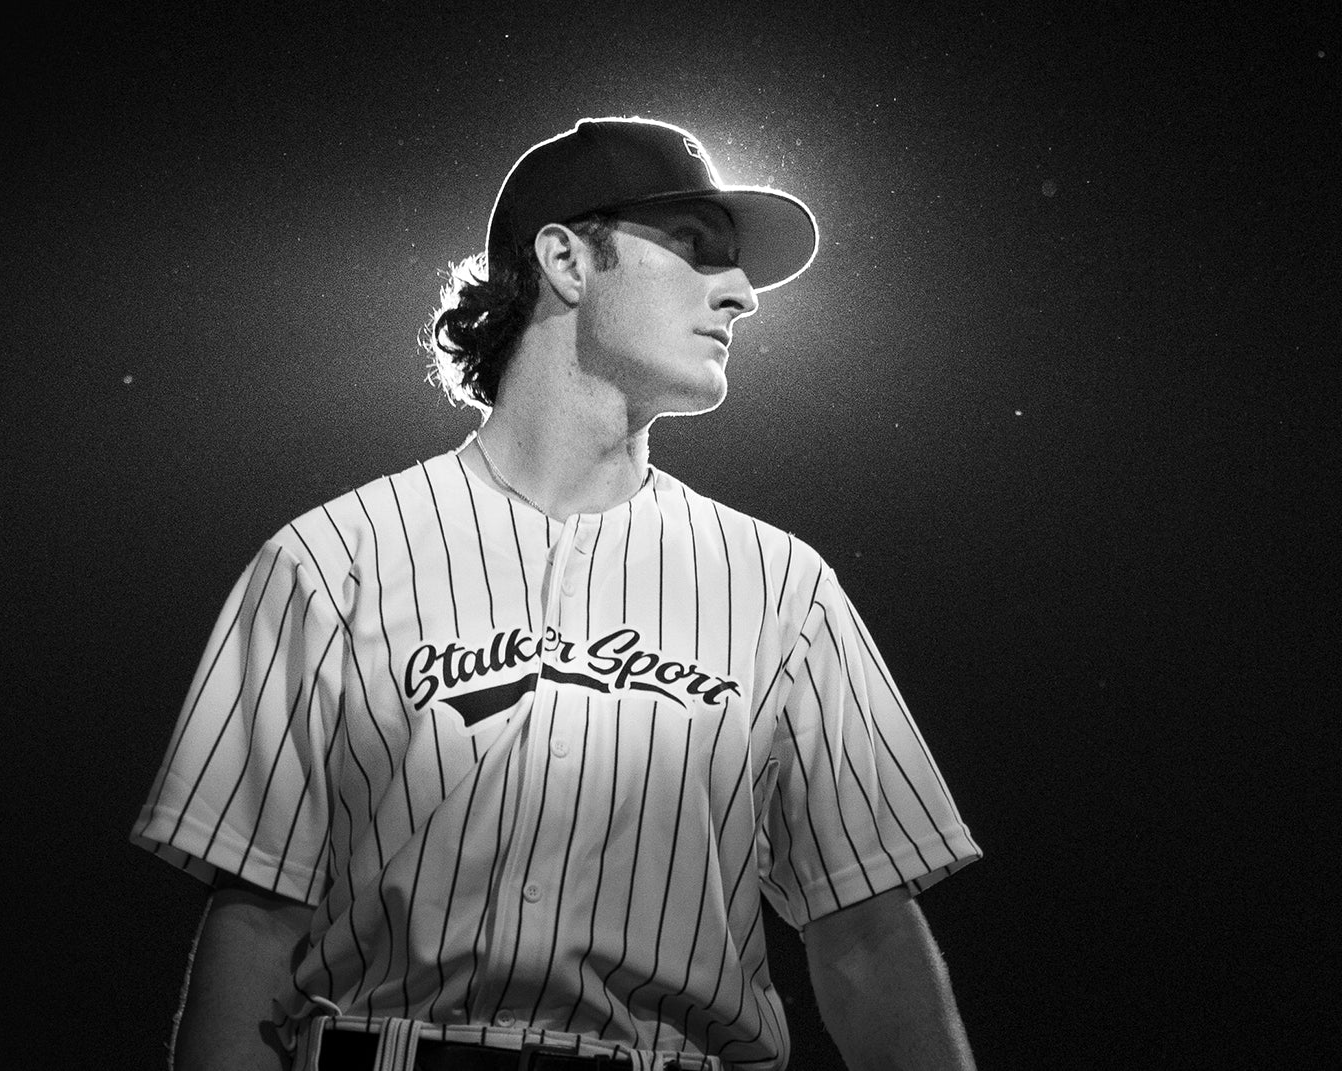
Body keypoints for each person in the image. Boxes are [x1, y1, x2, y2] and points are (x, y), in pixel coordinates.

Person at [129, 117, 982, 1071]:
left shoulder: (785, 586)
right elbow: (255, 928)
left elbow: (867, 939)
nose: (740, 294)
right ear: (568, 259)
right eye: (697, 250)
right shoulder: (334, 559)